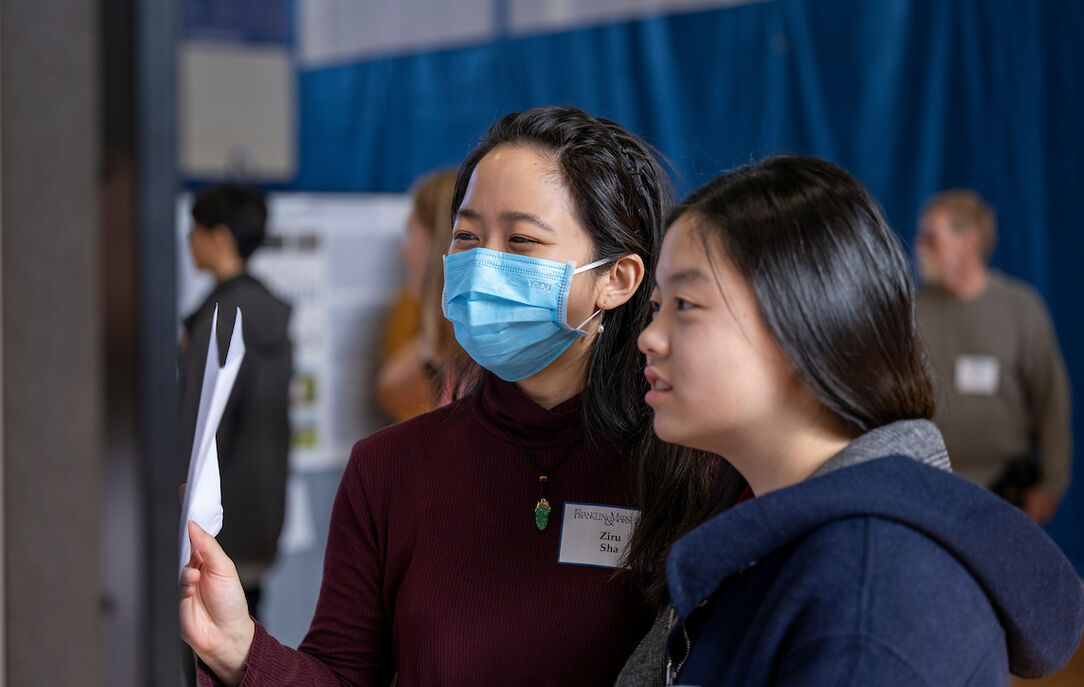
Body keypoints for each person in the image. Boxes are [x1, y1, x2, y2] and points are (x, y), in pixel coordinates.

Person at [180, 105, 736, 687]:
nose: (483, 264)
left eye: (522, 240)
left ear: (616, 278)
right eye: (467, 236)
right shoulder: (388, 468)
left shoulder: (692, 467)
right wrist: (240, 650)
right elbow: (341, 675)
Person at [637, 156, 1083, 685]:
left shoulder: (869, 597)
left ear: (808, 327)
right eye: (658, 304)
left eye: (685, 304)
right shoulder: (767, 528)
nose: (650, 337)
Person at [914, 190, 1072, 523]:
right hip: (930, 491)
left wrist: (1051, 486)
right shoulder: (911, 312)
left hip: (1006, 496)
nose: (919, 247)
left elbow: (1052, 404)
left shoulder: (1021, 309)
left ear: (968, 241)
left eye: (931, 238)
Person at [179, 185, 293, 619]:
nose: (190, 240)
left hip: (215, 524)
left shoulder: (218, 318)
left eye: (197, 230)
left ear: (221, 238)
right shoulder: (271, 313)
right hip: (261, 515)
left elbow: (197, 427)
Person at [374, 169, 459, 420]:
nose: (404, 251)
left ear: (438, 241)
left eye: (412, 235)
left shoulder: (465, 346)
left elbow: (390, 390)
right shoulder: (439, 335)